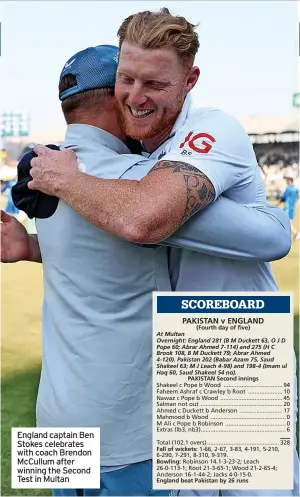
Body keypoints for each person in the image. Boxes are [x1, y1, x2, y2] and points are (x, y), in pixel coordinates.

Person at [3, 24, 297, 497]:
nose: (137, 98)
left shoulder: (53, 176)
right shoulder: (122, 173)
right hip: (140, 417)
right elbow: (274, 234)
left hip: (60, 423)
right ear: (111, 97)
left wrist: (41, 227)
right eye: (127, 82)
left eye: (153, 84)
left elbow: (135, 225)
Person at [278, 176, 299, 240]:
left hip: (288, 207)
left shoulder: (288, 188)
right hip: (292, 207)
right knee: (286, 221)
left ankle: (296, 234)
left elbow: (283, 197)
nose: (286, 182)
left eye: (287, 181)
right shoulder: (296, 189)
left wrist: (278, 203)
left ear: (290, 181)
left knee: (285, 221)